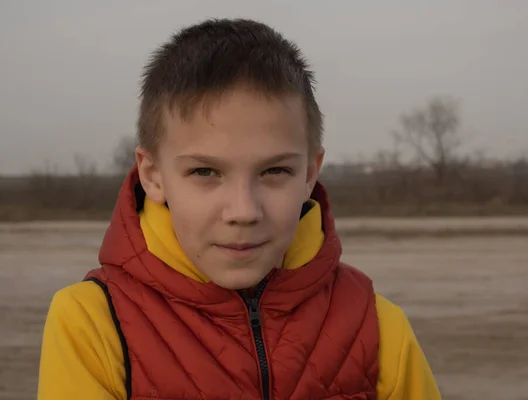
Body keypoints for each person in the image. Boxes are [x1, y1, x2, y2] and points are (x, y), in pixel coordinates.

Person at [37, 18, 441, 400]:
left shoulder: (376, 326)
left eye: (274, 170)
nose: (244, 211)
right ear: (153, 174)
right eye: (205, 171)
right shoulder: (93, 321)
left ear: (309, 174)